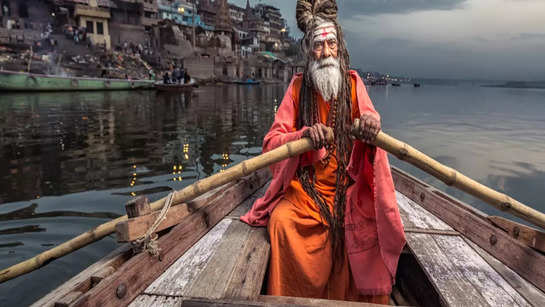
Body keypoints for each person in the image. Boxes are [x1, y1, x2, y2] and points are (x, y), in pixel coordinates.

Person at [241, 0, 405, 304]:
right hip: (306, 191)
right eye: (318, 45)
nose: (326, 52)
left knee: (370, 226)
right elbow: (271, 144)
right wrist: (303, 135)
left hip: (349, 190)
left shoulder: (354, 84)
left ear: (340, 46)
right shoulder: (297, 87)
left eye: (331, 43)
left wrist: (371, 124)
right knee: (281, 224)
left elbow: (371, 118)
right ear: (308, 50)